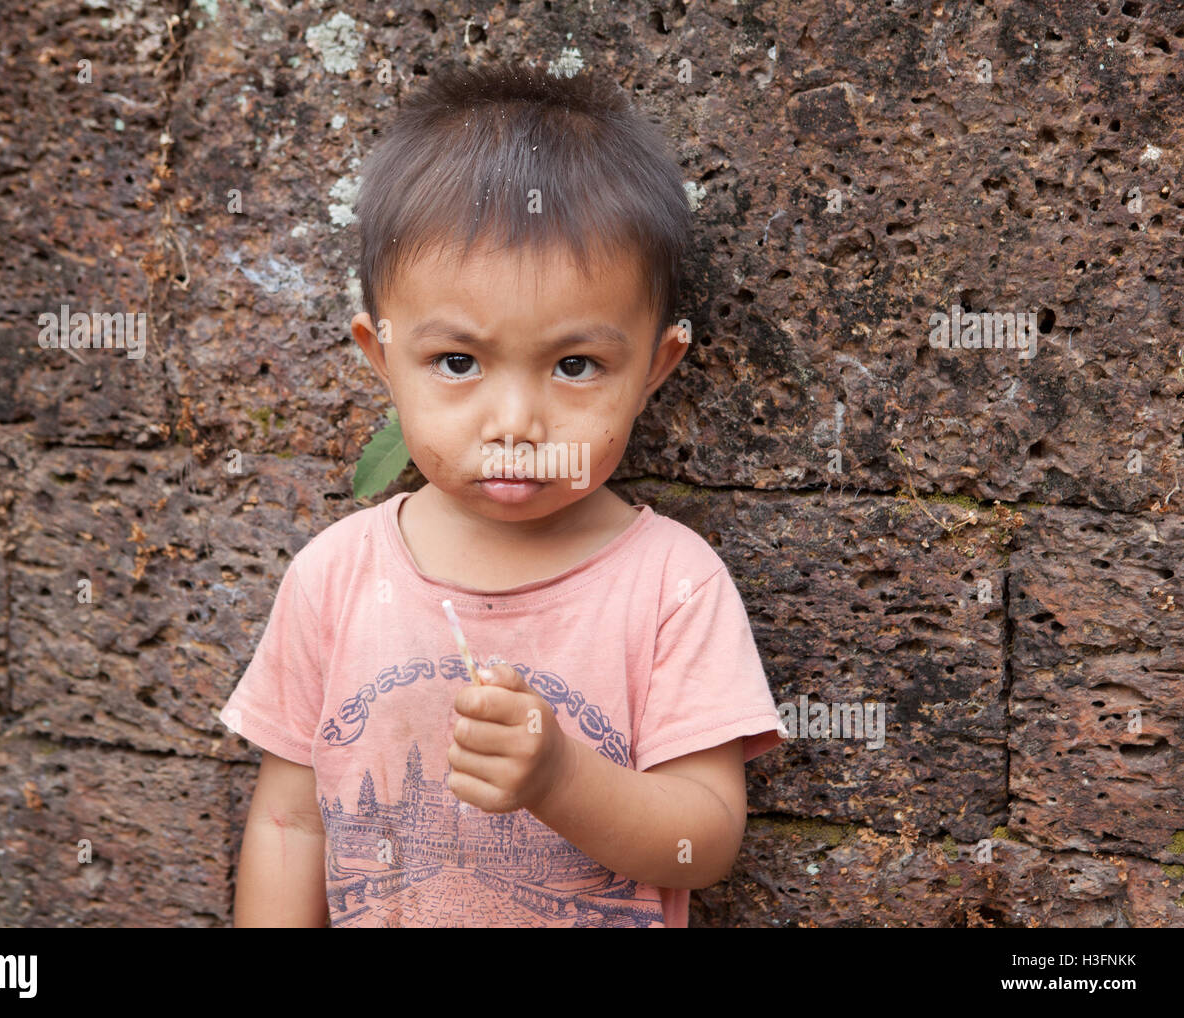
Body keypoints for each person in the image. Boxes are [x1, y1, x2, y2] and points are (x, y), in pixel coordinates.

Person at [221, 58, 785, 928]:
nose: (515, 421)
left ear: (653, 368)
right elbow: (294, 821)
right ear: (381, 358)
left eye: (574, 365)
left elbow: (703, 842)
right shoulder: (334, 578)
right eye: (458, 362)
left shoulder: (672, 584)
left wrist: (563, 778)